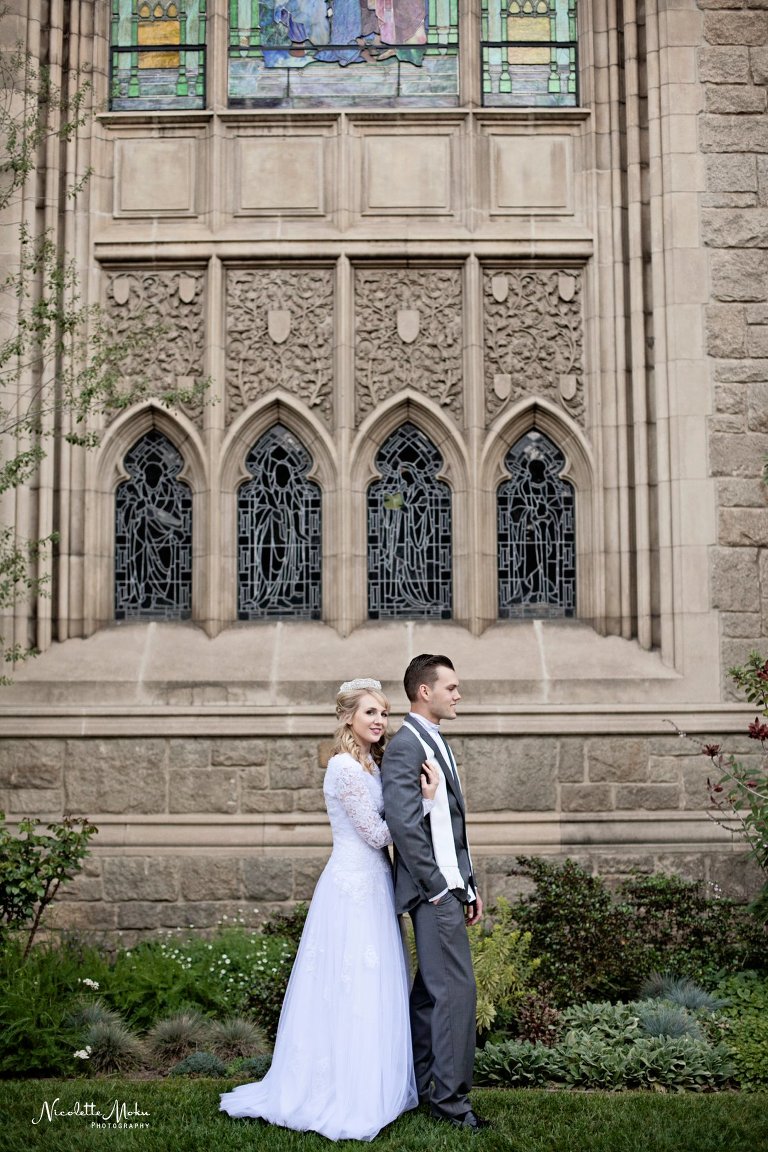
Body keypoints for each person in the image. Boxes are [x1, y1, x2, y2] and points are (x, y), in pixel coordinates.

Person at [220, 678, 438, 1142]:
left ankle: (373, 1084)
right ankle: (339, 1090)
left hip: (375, 885)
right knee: (349, 986)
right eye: (370, 714)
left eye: (383, 713)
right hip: (352, 889)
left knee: (374, 985)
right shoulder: (343, 767)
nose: (380, 721)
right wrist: (423, 802)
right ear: (347, 719)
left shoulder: (371, 765)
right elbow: (378, 836)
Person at [381, 653, 487, 1132]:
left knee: (430, 995)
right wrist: (441, 889)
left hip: (450, 885)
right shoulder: (406, 746)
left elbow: (450, 825)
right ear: (425, 691)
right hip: (433, 892)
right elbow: (404, 824)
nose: (458, 694)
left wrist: (469, 883)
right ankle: (451, 1104)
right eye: (451, 687)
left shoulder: (435, 740)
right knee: (455, 993)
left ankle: (426, 1087)